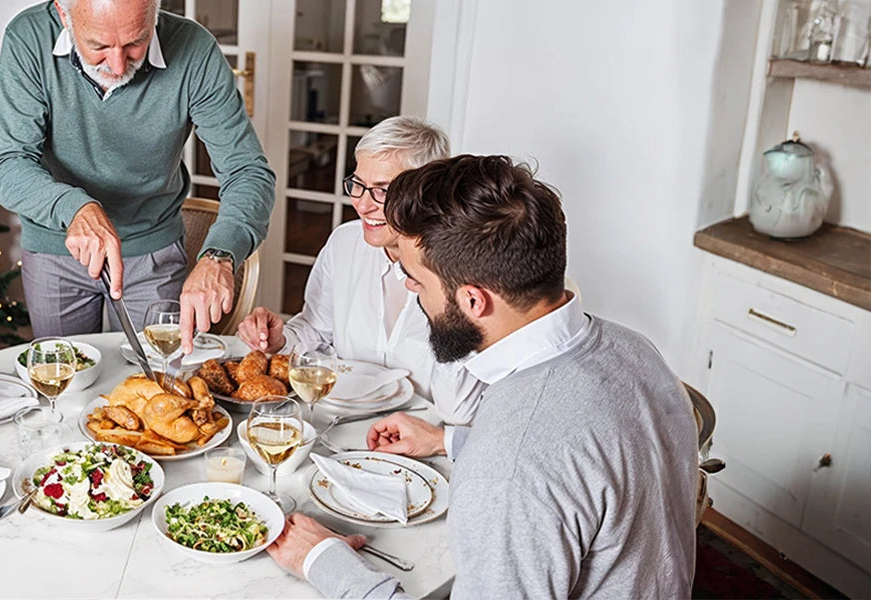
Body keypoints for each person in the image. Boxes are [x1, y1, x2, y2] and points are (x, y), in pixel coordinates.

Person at [268, 155, 699, 598]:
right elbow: (584, 466)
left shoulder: (511, 467)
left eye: (416, 280)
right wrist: (449, 441)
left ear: (474, 301)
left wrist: (326, 562)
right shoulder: (631, 348)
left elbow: (527, 465)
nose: (411, 290)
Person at [0, 0, 276, 353]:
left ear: (155, 13)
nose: (118, 64)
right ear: (64, 14)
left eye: (135, 42)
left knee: (160, 387)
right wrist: (76, 208)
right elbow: (8, 164)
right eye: (99, 46)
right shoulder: (28, 38)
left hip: (152, 250)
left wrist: (220, 255)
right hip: (57, 247)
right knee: (64, 389)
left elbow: (247, 171)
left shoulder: (195, 49)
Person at [235, 116, 480, 424]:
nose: (363, 205)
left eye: (382, 190)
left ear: (428, 194)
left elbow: (462, 411)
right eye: (358, 185)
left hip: (420, 436)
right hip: (335, 421)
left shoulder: (462, 272)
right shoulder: (345, 242)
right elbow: (316, 329)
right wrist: (278, 340)